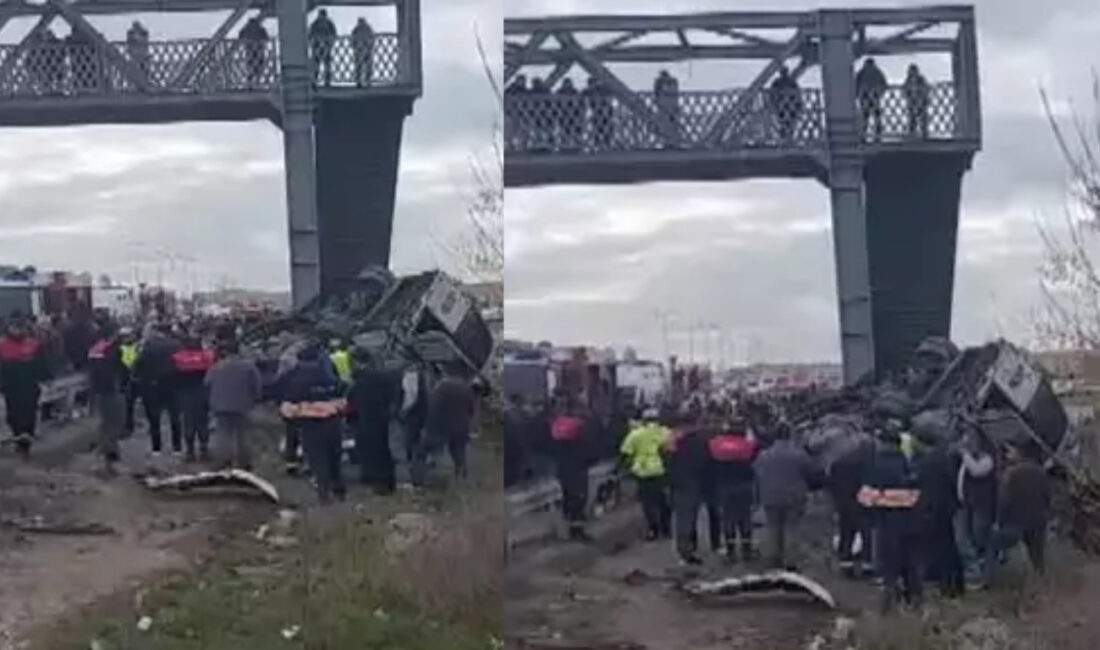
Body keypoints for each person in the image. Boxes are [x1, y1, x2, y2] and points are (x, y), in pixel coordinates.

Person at [860, 426, 922, 613]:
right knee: (909, 561)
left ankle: (887, 604)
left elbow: (865, 497)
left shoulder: (875, 464)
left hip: (885, 520)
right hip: (909, 520)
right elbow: (915, 492)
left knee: (888, 563)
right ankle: (914, 600)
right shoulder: (906, 462)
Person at [280, 341, 347, 504]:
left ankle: (324, 495)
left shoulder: (295, 375)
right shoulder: (329, 372)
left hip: (309, 424)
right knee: (334, 457)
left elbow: (286, 404)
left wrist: (293, 416)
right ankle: (338, 490)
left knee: (318, 460)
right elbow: (343, 393)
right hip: (333, 421)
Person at [753, 422, 821, 569]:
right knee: (791, 528)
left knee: (773, 528)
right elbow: (812, 473)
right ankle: (790, 562)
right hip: (794, 497)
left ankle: (773, 559)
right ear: (790, 435)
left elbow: (757, 472)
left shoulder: (764, 455)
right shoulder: (799, 454)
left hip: (770, 496)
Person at [983, 442, 1050, 587]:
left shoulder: (1010, 474)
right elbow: (1048, 497)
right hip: (1037, 522)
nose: (1008, 454)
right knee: (1037, 555)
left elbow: (1003, 501)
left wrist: (998, 522)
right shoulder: (1041, 472)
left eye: (1011, 451)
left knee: (992, 544)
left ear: (1021, 453)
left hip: (1015, 523)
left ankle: (988, 580)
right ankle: (1042, 582)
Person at [915, 430, 965, 597]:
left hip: (930, 509)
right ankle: (955, 583)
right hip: (947, 508)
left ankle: (943, 582)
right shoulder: (945, 458)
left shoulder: (923, 462)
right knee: (948, 545)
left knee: (936, 547)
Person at [348, 347, 400, 494]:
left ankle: (375, 482)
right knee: (383, 450)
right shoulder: (385, 377)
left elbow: (351, 402)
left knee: (369, 452)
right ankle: (389, 482)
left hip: (365, 419)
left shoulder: (359, 379)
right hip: (382, 418)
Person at [204, 341, 262, 469]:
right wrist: (256, 399)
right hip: (243, 404)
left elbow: (207, 383)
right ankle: (245, 462)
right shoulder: (248, 367)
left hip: (220, 405)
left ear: (225, 352)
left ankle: (224, 461)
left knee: (223, 434)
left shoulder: (216, 366)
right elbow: (257, 385)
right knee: (243, 433)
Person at [415, 365, 477, 484]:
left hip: (439, 428)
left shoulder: (440, 387)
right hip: (460, 428)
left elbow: (432, 407)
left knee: (420, 452)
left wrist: (425, 426)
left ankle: (419, 480)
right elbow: (471, 410)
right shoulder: (466, 388)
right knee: (459, 455)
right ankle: (462, 480)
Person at [708, 418, 759, 561]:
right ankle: (746, 550)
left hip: (724, 486)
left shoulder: (715, 444)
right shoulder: (749, 445)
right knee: (745, 519)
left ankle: (731, 552)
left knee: (728, 520)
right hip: (744, 485)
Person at [619, 409, 672, 541]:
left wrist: (619, 468)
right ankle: (666, 528)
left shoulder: (636, 434)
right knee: (663, 500)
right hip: (661, 470)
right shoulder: (666, 432)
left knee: (648, 503)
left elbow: (625, 452)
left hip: (643, 471)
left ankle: (652, 529)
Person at [0, 317, 49, 458]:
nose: (17, 331)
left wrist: (46, 378)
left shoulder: (34, 345)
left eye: (19, 327)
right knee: (13, 417)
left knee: (29, 416)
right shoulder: (3, 346)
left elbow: (41, 364)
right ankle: (20, 440)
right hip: (12, 389)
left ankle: (25, 444)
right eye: (14, 327)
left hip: (29, 387)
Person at [828, 435, 875, 577]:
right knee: (866, 536)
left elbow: (832, 482)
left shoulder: (841, 460)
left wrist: (836, 501)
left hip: (843, 503)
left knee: (846, 534)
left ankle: (845, 564)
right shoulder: (868, 462)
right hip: (862, 503)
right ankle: (867, 566)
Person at [134, 323, 182, 457]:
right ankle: (177, 447)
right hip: (173, 384)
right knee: (175, 417)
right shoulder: (176, 345)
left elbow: (138, 365)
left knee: (154, 419)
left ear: (155, 332)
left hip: (152, 386)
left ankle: (157, 448)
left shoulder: (148, 347)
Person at [957, 427, 997, 582]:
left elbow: (977, 471)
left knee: (979, 535)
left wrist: (964, 454)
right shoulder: (968, 458)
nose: (967, 443)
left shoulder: (987, 459)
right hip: (966, 503)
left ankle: (981, 570)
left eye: (971, 440)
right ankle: (973, 568)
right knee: (964, 537)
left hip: (981, 504)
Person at [87, 322, 127, 475]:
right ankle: (108, 458)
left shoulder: (95, 348)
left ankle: (107, 456)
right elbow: (124, 367)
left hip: (98, 390)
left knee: (105, 424)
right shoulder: (115, 349)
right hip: (112, 390)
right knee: (115, 424)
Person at [551, 399, 593, 541]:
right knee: (579, 499)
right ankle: (577, 531)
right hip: (578, 469)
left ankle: (570, 528)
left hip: (564, 469)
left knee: (569, 500)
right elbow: (588, 447)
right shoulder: (581, 426)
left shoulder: (556, 426)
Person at [172, 334, 216, 462]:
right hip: (202, 393)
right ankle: (204, 449)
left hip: (185, 395)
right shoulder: (206, 357)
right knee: (203, 422)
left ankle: (190, 451)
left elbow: (174, 377)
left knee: (188, 423)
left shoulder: (179, 358)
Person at [856, 58, 888, 142]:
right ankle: (877, 136)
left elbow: (855, 85)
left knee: (865, 117)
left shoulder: (861, 72)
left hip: (866, 97)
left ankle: (863, 136)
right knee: (874, 117)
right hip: (872, 97)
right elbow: (884, 84)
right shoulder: (877, 72)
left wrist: (857, 95)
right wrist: (879, 93)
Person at [769, 66, 803, 143]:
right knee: (788, 124)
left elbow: (771, 94)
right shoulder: (792, 82)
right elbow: (798, 95)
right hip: (788, 108)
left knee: (784, 124)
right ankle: (788, 139)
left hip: (783, 107)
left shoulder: (777, 82)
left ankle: (785, 138)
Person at [119, 327, 139, 439]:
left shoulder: (134, 348)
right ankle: (127, 427)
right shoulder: (122, 348)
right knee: (127, 406)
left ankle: (128, 428)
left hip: (130, 380)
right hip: (127, 379)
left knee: (128, 406)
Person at [309, 9, 337, 87]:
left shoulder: (315, 23)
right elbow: (334, 34)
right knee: (324, 64)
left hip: (318, 46)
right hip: (324, 46)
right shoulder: (329, 23)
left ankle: (316, 81)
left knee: (318, 65)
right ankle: (325, 81)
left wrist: (313, 43)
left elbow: (310, 35)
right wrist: (330, 43)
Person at [902, 64, 930, 139]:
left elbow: (926, 89)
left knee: (922, 118)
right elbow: (904, 90)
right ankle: (912, 131)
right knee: (912, 118)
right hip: (912, 102)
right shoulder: (908, 79)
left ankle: (924, 132)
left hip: (921, 101)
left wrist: (922, 95)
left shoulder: (921, 79)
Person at [240, 17, 269, 87]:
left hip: (249, 50)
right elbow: (266, 38)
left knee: (250, 67)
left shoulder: (246, 29)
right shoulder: (261, 29)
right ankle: (257, 81)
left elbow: (240, 36)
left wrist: (246, 42)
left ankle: (250, 82)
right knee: (259, 66)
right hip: (259, 50)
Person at [351, 17, 374, 87]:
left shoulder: (356, 29)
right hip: (364, 50)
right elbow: (372, 38)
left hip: (361, 50)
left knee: (361, 66)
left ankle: (361, 81)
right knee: (364, 66)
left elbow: (352, 39)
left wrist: (355, 47)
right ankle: (365, 81)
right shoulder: (368, 28)